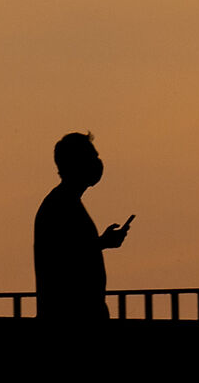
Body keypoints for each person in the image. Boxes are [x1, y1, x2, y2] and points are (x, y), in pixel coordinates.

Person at [34, 132, 133, 321]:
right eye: (92, 157)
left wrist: (101, 243)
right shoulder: (61, 205)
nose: (97, 163)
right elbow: (64, 256)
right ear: (77, 163)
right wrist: (101, 243)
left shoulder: (65, 202)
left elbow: (75, 249)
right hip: (70, 315)